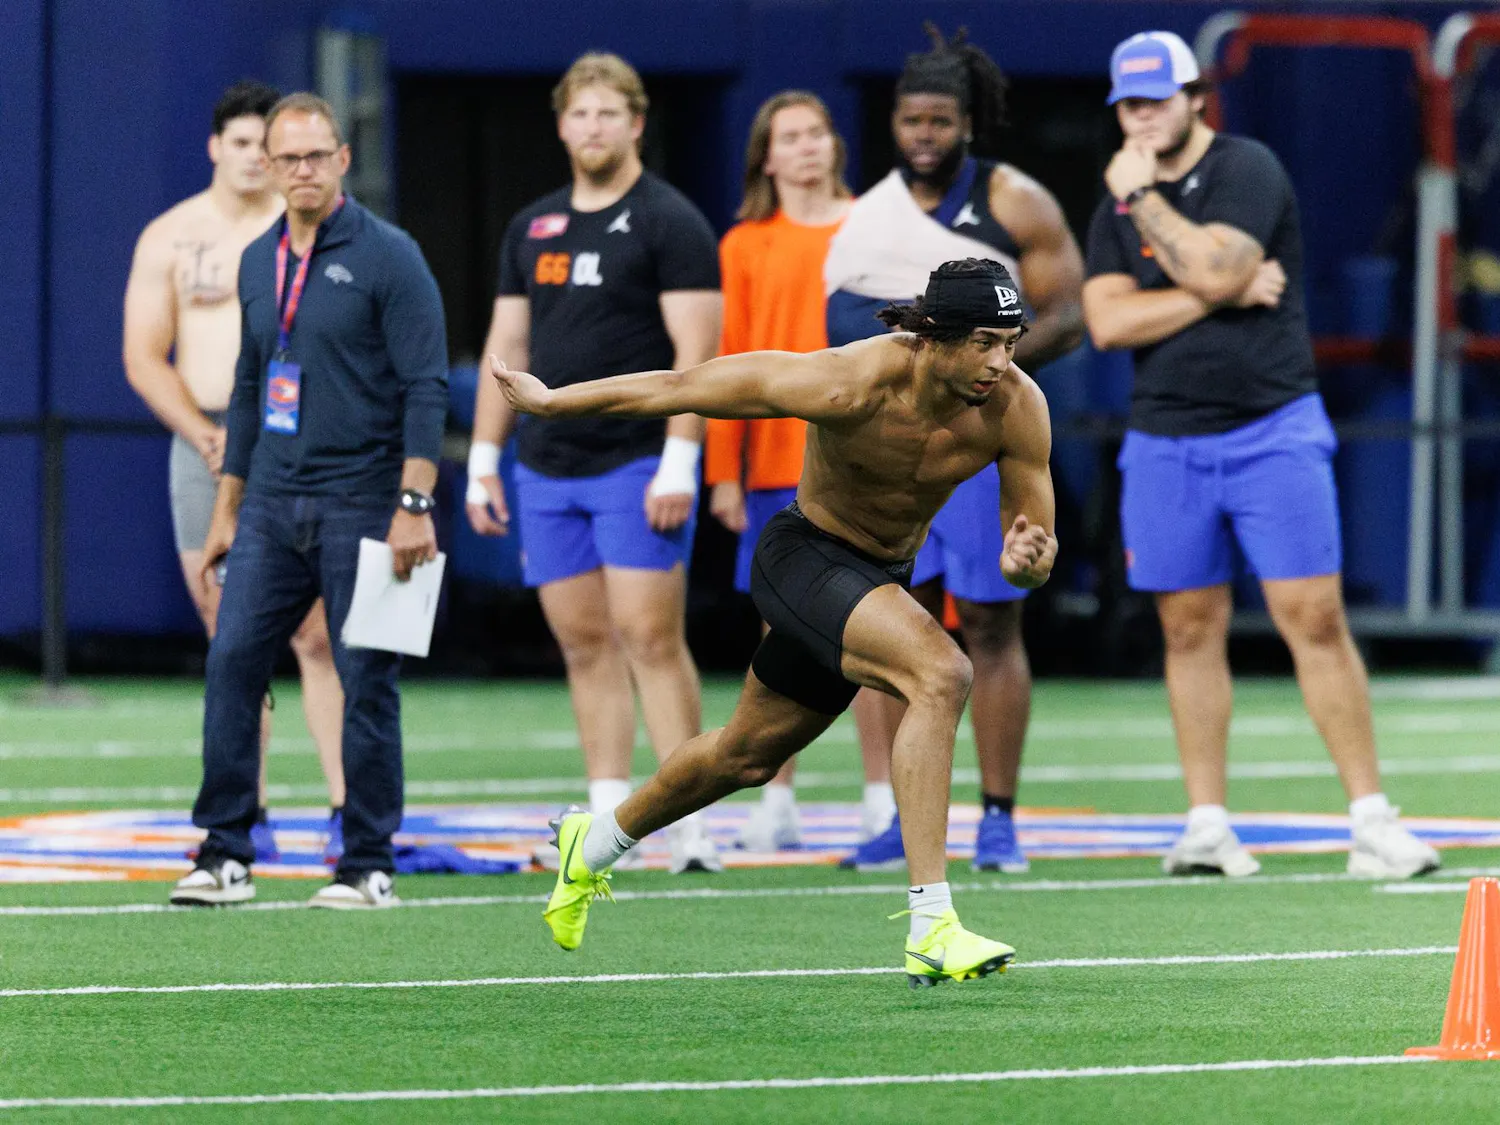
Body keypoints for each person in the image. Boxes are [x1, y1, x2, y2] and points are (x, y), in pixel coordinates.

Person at [496, 257, 1058, 985]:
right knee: (942, 672)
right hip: (803, 560)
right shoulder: (846, 380)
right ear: (933, 334)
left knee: (744, 757)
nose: (1000, 361)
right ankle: (932, 925)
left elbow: (1029, 554)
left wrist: (1027, 560)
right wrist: (551, 402)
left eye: (1010, 341)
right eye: (984, 340)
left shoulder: (1017, 405)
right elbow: (681, 386)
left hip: (877, 579)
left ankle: (593, 842)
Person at [1081, 31, 1440, 879]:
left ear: (1194, 96)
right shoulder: (1109, 207)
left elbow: (1211, 265)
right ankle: (1206, 824)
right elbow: (1108, 322)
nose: (1142, 118)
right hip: (1165, 435)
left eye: (1156, 100)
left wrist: (1162, 220)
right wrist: (1222, 291)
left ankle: (1371, 819)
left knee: (1313, 617)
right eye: (1129, 105)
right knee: (1186, 625)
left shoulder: (1246, 169)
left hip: (1271, 427)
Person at [170, 92, 449, 908]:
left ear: (342, 159)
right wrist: (228, 506)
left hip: (365, 499)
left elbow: (427, 386)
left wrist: (416, 502)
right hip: (272, 502)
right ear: (268, 164)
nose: (300, 170)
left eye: (315, 156)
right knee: (231, 663)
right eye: (286, 157)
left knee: (367, 676)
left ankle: (367, 861)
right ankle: (225, 849)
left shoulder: (391, 256)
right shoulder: (260, 259)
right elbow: (252, 386)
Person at [823, 26, 1085, 873]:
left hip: (974, 451)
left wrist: (981, 380)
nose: (923, 136)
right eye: (910, 122)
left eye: (939, 121)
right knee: (883, 628)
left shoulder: (1015, 200)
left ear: (968, 122)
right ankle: (903, 816)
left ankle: (1000, 815)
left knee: (992, 625)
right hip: (890, 449)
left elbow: (1072, 312)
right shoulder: (869, 213)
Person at [465, 53, 724, 874]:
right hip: (545, 466)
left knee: (650, 635)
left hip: (634, 458)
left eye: (609, 114)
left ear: (637, 122)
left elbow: (697, 354)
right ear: (560, 124)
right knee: (582, 642)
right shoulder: (532, 226)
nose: (593, 128)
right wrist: (480, 458)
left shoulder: (670, 220)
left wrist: (681, 459)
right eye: (579, 114)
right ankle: (610, 808)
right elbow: (506, 349)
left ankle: (686, 820)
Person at [123, 82, 346, 862]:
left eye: (271, 145)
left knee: (319, 633)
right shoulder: (171, 236)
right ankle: (245, 810)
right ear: (217, 147)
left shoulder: (309, 233)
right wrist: (203, 433)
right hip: (206, 442)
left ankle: (346, 807)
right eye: (245, 143)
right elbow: (144, 356)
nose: (259, 158)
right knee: (232, 631)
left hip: (299, 444)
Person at [705, 90, 853, 852]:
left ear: (834, 144)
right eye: (789, 137)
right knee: (780, 633)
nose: (804, 147)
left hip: (862, 460)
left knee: (884, 625)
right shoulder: (744, 245)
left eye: (815, 133)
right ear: (767, 155)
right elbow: (730, 359)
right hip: (772, 462)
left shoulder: (872, 227)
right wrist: (722, 470)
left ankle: (884, 800)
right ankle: (777, 799)